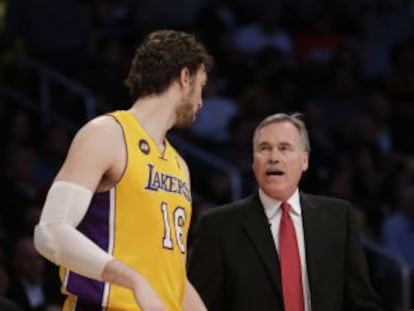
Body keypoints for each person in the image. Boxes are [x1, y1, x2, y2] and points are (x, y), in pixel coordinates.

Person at [34, 29, 213, 311]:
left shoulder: (179, 166)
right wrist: (133, 280)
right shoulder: (106, 134)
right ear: (184, 77)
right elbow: (50, 233)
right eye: (201, 87)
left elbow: (171, 278)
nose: (201, 101)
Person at [188, 113, 383, 311]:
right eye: (264, 149)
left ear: (304, 160)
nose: (274, 157)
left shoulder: (338, 218)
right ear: (254, 163)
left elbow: (362, 303)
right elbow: (196, 305)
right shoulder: (218, 226)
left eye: (284, 148)